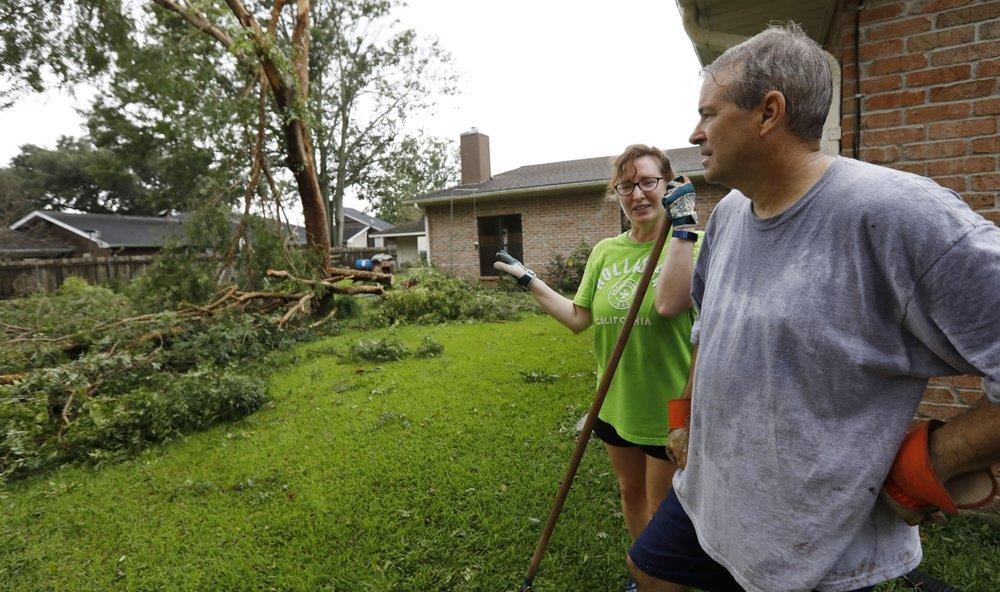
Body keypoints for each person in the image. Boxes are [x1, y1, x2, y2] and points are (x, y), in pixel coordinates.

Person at [627, 23, 1000, 592]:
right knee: (648, 571)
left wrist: (937, 459)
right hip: (712, 492)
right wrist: (687, 417)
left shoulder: (899, 215)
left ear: (768, 113)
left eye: (709, 113)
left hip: (814, 535)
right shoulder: (729, 214)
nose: (695, 132)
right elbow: (709, 325)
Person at [494, 145, 702, 592]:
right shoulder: (607, 251)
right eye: (626, 186)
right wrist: (530, 281)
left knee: (661, 501)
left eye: (648, 182)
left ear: (669, 184)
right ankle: (643, 575)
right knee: (630, 495)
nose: (637, 194)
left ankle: (661, 577)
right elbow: (578, 318)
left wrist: (683, 228)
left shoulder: (693, 244)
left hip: (669, 408)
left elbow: (668, 305)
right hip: (613, 403)